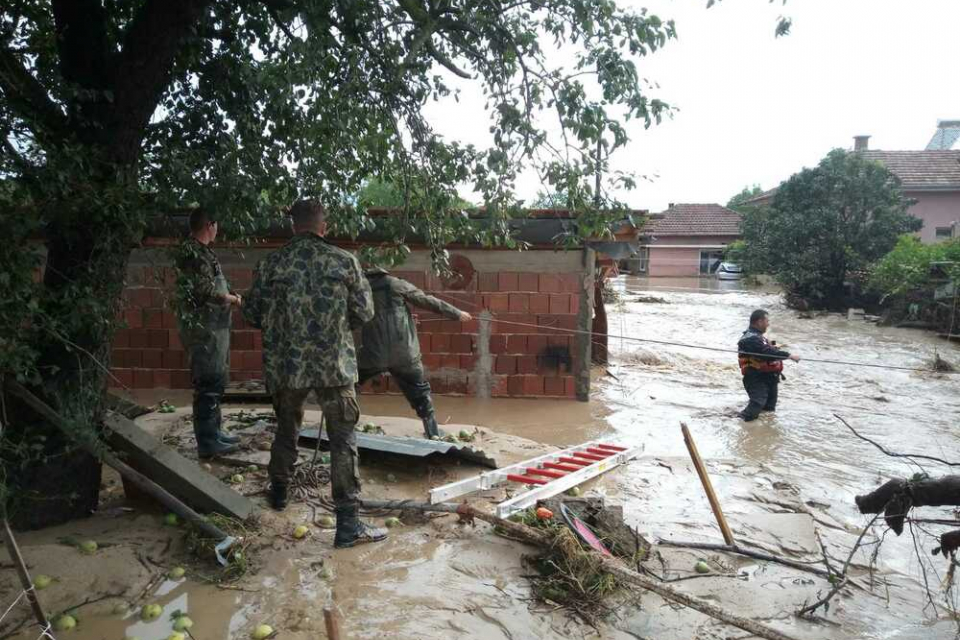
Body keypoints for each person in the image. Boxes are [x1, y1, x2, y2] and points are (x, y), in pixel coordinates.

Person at [243, 199, 386, 548]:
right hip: (334, 368)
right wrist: (334, 330)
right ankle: (348, 526)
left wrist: (284, 327)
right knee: (343, 442)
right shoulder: (344, 261)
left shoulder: (271, 263)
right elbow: (364, 313)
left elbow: (251, 313)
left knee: (286, 429)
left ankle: (278, 493)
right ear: (324, 226)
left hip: (286, 366)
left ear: (293, 226)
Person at [358, 267, 472, 438]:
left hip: (373, 355)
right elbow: (427, 301)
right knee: (420, 393)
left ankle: (343, 427)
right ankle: (432, 432)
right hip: (405, 354)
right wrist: (457, 313)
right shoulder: (396, 284)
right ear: (384, 272)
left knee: (348, 384)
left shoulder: (360, 288)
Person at [174, 208, 242, 459]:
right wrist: (232, 299)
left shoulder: (201, 252)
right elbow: (203, 290)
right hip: (205, 329)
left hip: (215, 328)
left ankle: (215, 432)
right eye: (217, 225)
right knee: (209, 382)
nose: (218, 230)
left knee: (216, 380)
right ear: (209, 225)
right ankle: (207, 442)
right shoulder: (195, 254)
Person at [737, 309, 800, 422]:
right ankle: (738, 423)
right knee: (757, 404)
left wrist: (775, 347)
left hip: (769, 377)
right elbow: (766, 353)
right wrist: (789, 355)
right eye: (767, 321)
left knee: (769, 409)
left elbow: (767, 349)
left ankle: (763, 433)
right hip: (756, 378)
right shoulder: (749, 338)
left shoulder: (759, 337)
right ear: (759, 322)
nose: (768, 324)